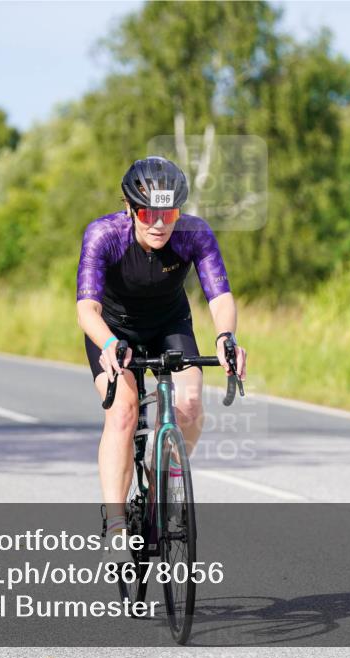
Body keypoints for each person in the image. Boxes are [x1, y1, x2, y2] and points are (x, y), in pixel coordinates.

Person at [76, 156, 247, 557]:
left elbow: (219, 295)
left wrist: (226, 336)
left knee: (188, 403)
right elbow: (87, 308)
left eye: (168, 213)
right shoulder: (104, 235)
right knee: (123, 411)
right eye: (149, 213)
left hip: (170, 322)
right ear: (131, 209)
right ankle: (117, 523)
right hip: (114, 329)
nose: (159, 223)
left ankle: (160, 483)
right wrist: (108, 344)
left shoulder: (194, 234)